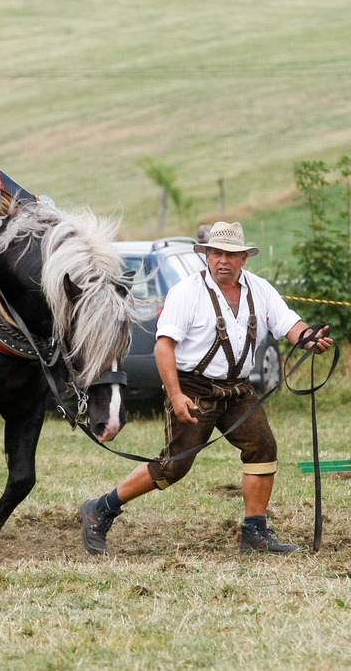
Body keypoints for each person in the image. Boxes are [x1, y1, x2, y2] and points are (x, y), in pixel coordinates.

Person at [80, 221, 335, 555]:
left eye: (230, 254)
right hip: (193, 389)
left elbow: (289, 323)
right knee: (173, 467)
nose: (222, 260)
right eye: (216, 253)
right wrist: (176, 395)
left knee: (263, 448)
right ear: (207, 255)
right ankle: (100, 508)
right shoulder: (186, 292)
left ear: (244, 257)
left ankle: (254, 533)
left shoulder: (260, 290)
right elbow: (163, 347)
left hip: (238, 390)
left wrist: (309, 339)